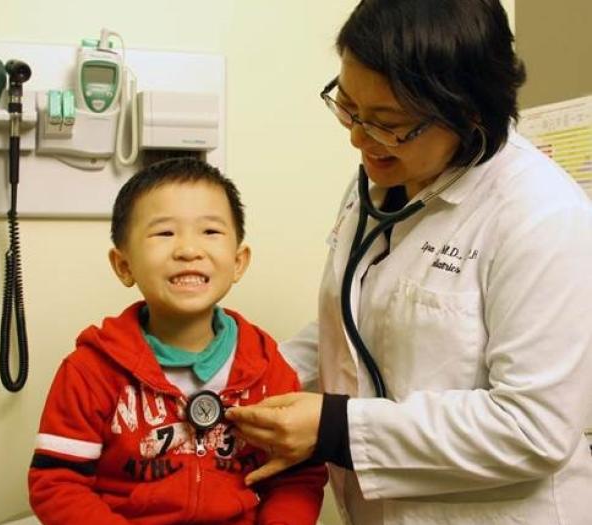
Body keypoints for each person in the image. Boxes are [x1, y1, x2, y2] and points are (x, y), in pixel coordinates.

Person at [225, 1, 592, 524]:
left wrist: (335, 428)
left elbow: (534, 427)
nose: (356, 136)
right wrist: (248, 378)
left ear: (467, 113)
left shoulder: (543, 217)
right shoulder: (380, 184)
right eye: (348, 107)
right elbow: (355, 322)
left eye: (387, 123)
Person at [28, 157, 327, 525]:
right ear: (124, 265)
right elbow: (58, 484)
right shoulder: (90, 372)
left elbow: (297, 478)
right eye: (164, 233)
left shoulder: (268, 369)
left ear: (238, 261)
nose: (188, 249)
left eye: (210, 232)